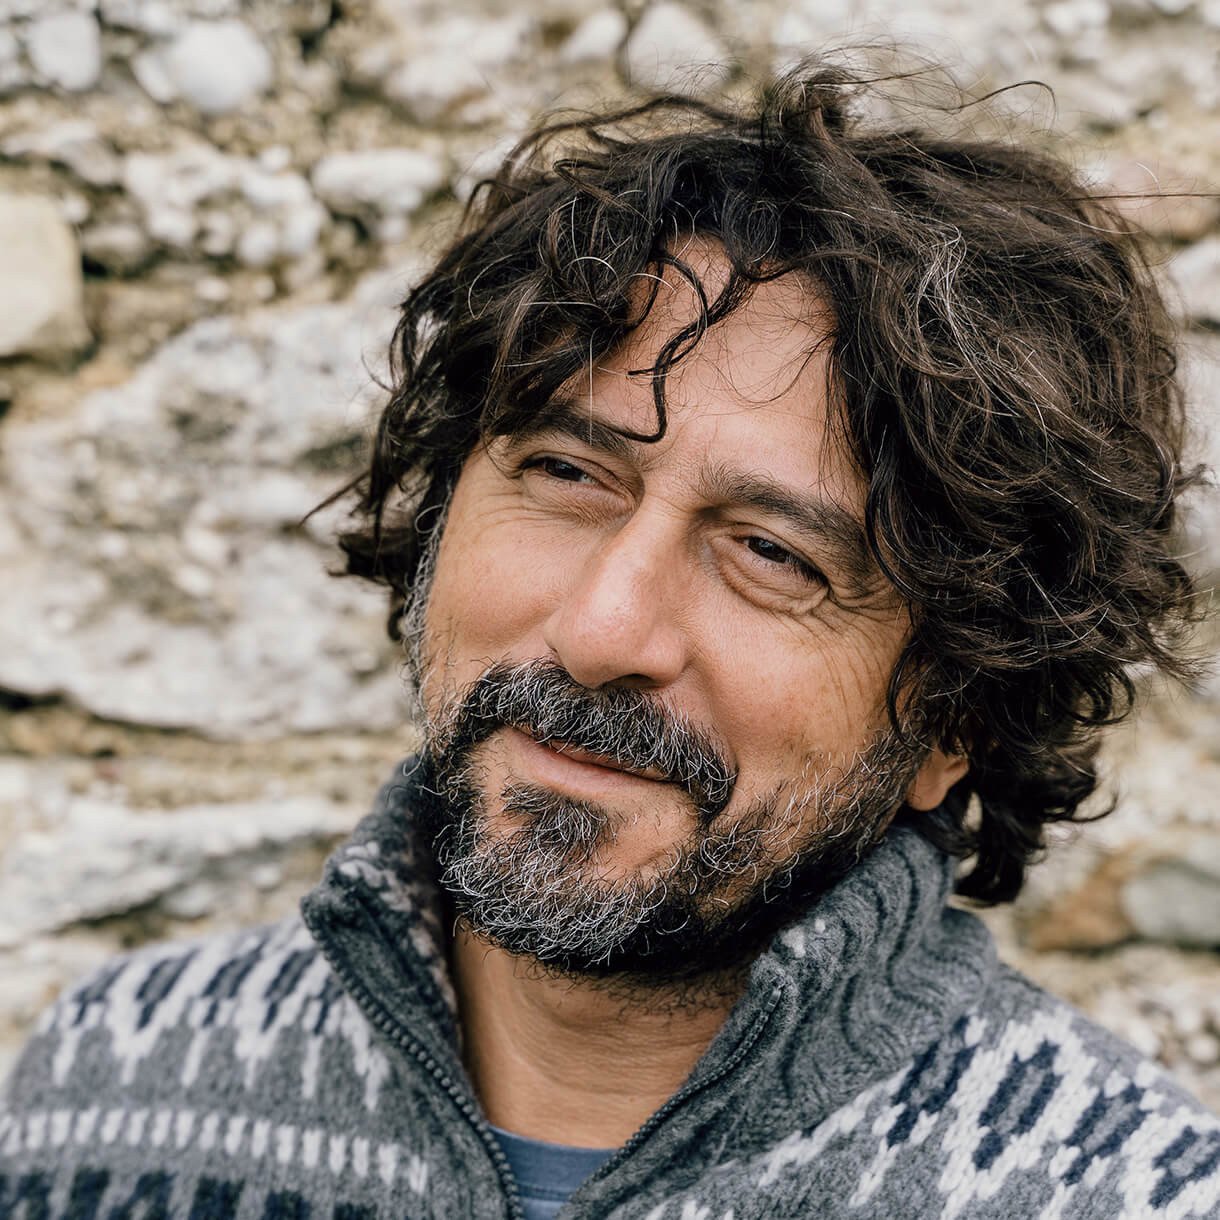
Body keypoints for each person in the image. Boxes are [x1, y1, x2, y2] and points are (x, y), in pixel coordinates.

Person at [2, 59, 1218, 1220]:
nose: (600, 629)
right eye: (568, 473)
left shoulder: (1124, 1191)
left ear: (955, 716)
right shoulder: (109, 1091)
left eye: (771, 553)